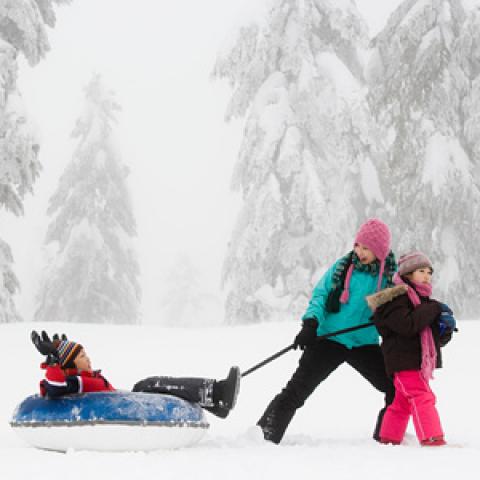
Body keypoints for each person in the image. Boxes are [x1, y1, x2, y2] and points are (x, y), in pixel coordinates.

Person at [257, 218, 397, 444]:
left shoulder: (391, 277)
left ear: (379, 251)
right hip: (329, 338)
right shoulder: (343, 268)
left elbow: (402, 306)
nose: (360, 252)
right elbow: (321, 295)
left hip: (364, 343)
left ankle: (388, 437)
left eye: (366, 248)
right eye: (358, 246)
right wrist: (310, 323)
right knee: (297, 390)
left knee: (396, 388)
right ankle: (264, 435)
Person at [31, 330, 240, 419]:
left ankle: (213, 402)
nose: (88, 359)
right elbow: (54, 389)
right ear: (71, 363)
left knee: (149, 386)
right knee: (147, 385)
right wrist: (55, 362)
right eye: (83, 356)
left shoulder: (84, 377)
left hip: (121, 400)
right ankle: (218, 392)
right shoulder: (76, 382)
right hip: (121, 407)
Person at [366, 251, 456, 446]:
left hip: (413, 360)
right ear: (407, 274)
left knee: (401, 403)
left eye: (429, 272)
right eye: (421, 271)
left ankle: (389, 438)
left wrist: (445, 329)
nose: (426, 276)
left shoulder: (422, 301)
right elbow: (407, 326)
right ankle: (432, 438)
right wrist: (434, 308)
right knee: (422, 396)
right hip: (403, 360)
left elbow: (428, 337)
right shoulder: (396, 298)